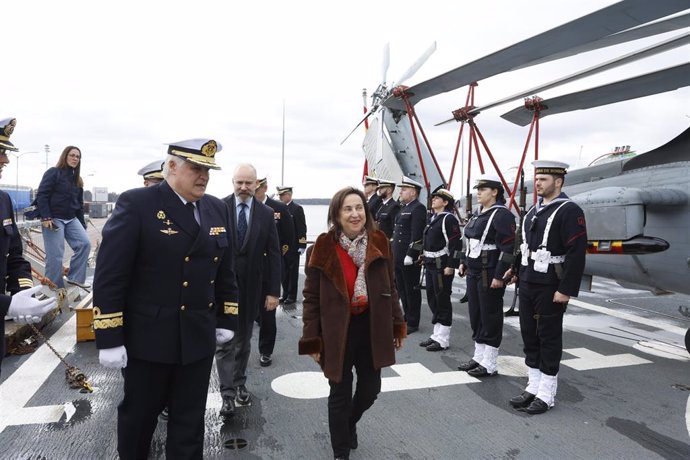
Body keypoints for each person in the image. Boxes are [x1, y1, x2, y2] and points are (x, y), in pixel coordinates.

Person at [93, 138, 239, 458]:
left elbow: (225, 270)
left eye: (208, 170)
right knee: (139, 421)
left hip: (198, 338)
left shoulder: (216, 208)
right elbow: (111, 274)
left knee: (189, 426)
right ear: (171, 167)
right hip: (149, 340)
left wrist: (227, 317)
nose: (203, 176)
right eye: (196, 168)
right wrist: (109, 336)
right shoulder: (138, 204)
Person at [299, 187, 406, 460]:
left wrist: (397, 324)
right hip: (336, 332)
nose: (355, 214)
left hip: (372, 328)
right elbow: (310, 298)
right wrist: (311, 339)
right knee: (339, 393)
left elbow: (390, 288)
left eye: (359, 208)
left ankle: (348, 424)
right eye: (348, 209)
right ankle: (340, 452)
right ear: (336, 214)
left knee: (371, 390)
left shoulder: (380, 242)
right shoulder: (321, 247)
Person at [507, 160, 587, 415]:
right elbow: (524, 247)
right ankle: (533, 385)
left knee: (548, 336)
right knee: (529, 333)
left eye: (543, 179)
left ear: (558, 181)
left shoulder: (569, 210)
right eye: (537, 178)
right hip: (529, 280)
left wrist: (566, 289)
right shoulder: (533, 211)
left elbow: (576, 253)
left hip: (551, 283)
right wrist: (515, 269)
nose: (537, 183)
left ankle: (547, 392)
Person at [216, 165, 281, 418]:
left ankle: (240, 382)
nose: (243, 187)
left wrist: (273, 292)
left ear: (257, 184)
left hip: (252, 288)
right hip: (223, 289)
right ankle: (227, 395)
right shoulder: (218, 208)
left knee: (243, 341)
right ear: (232, 182)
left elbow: (274, 254)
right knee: (224, 341)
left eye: (248, 183)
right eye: (239, 182)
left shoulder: (266, 214)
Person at [0, 117, 56, 373]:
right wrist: (7, 305)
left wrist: (20, 291)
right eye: (1, 152)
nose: (5, 160)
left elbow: (14, 255)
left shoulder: (3, 200)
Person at [457, 174, 516, 375]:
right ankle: (478, 357)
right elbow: (471, 241)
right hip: (474, 270)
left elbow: (508, 249)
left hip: (489, 272)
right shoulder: (478, 213)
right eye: (478, 189)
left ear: (494, 192)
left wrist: (500, 276)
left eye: (482, 190)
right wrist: (464, 262)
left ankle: (489, 363)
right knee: (476, 315)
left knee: (490, 316)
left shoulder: (502, 215)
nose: (478, 193)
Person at [35, 145, 91, 290]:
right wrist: (46, 216)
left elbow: (78, 205)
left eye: (78, 157)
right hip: (53, 219)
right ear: (65, 156)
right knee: (55, 255)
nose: (75, 158)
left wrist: (83, 225)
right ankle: (55, 288)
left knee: (85, 244)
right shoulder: (54, 173)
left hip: (71, 218)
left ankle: (75, 280)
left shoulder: (77, 180)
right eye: (72, 155)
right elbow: (42, 195)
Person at [254, 177, 294, 367]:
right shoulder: (242, 207)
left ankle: (266, 351)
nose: (253, 191)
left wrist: (280, 261)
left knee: (268, 315)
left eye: (257, 188)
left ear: (264, 188)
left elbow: (287, 238)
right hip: (247, 270)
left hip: (269, 267)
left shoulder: (278, 208)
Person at [418, 188, 462, 352]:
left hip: (441, 265)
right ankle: (436, 334)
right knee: (432, 298)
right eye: (433, 198)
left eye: (438, 198)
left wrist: (451, 265)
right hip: (430, 263)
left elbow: (455, 243)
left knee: (442, 299)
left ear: (445, 202)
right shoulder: (433, 218)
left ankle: (443, 338)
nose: (433, 200)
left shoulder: (449, 219)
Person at [392, 176, 426, 334]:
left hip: (407, 257)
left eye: (404, 189)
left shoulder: (418, 208)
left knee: (411, 289)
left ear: (413, 192)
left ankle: (413, 322)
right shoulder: (404, 208)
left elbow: (417, 234)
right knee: (402, 289)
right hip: (398, 255)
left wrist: (411, 254)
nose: (401, 192)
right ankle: (407, 315)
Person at [277, 185, 307, 306]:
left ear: (289, 195)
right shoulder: (279, 209)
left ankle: (291, 296)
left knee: (293, 272)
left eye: (282, 195)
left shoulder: (297, 209)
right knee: (283, 272)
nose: (280, 197)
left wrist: (302, 244)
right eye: (279, 195)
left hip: (293, 246)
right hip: (282, 246)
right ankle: (284, 295)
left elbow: (301, 227)